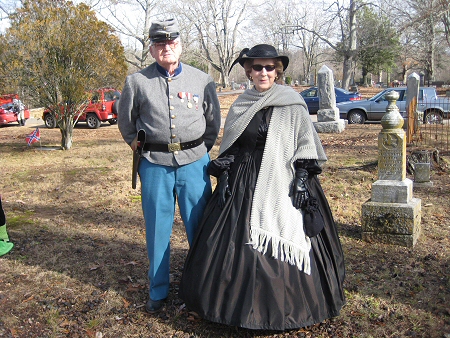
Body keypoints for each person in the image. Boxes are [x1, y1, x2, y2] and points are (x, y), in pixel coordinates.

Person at [179, 44, 345, 330]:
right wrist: (227, 173)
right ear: (249, 71)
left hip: (285, 176)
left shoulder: (292, 102)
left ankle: (287, 309)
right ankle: (233, 308)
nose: (263, 72)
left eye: (269, 67)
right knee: (232, 239)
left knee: (285, 230)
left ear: (277, 71)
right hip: (244, 179)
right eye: (257, 67)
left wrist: (303, 178)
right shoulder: (243, 103)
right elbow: (232, 146)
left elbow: (306, 144)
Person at [118, 18, 221, 313]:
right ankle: (158, 290)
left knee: (200, 228)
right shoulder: (136, 82)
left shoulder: (202, 80)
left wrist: (199, 150)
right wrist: (141, 150)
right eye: (160, 44)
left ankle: (202, 288)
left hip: (194, 164)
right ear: (152, 50)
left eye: (172, 43)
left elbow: (212, 122)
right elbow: (126, 123)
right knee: (157, 230)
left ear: (180, 45)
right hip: (154, 164)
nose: (167, 48)